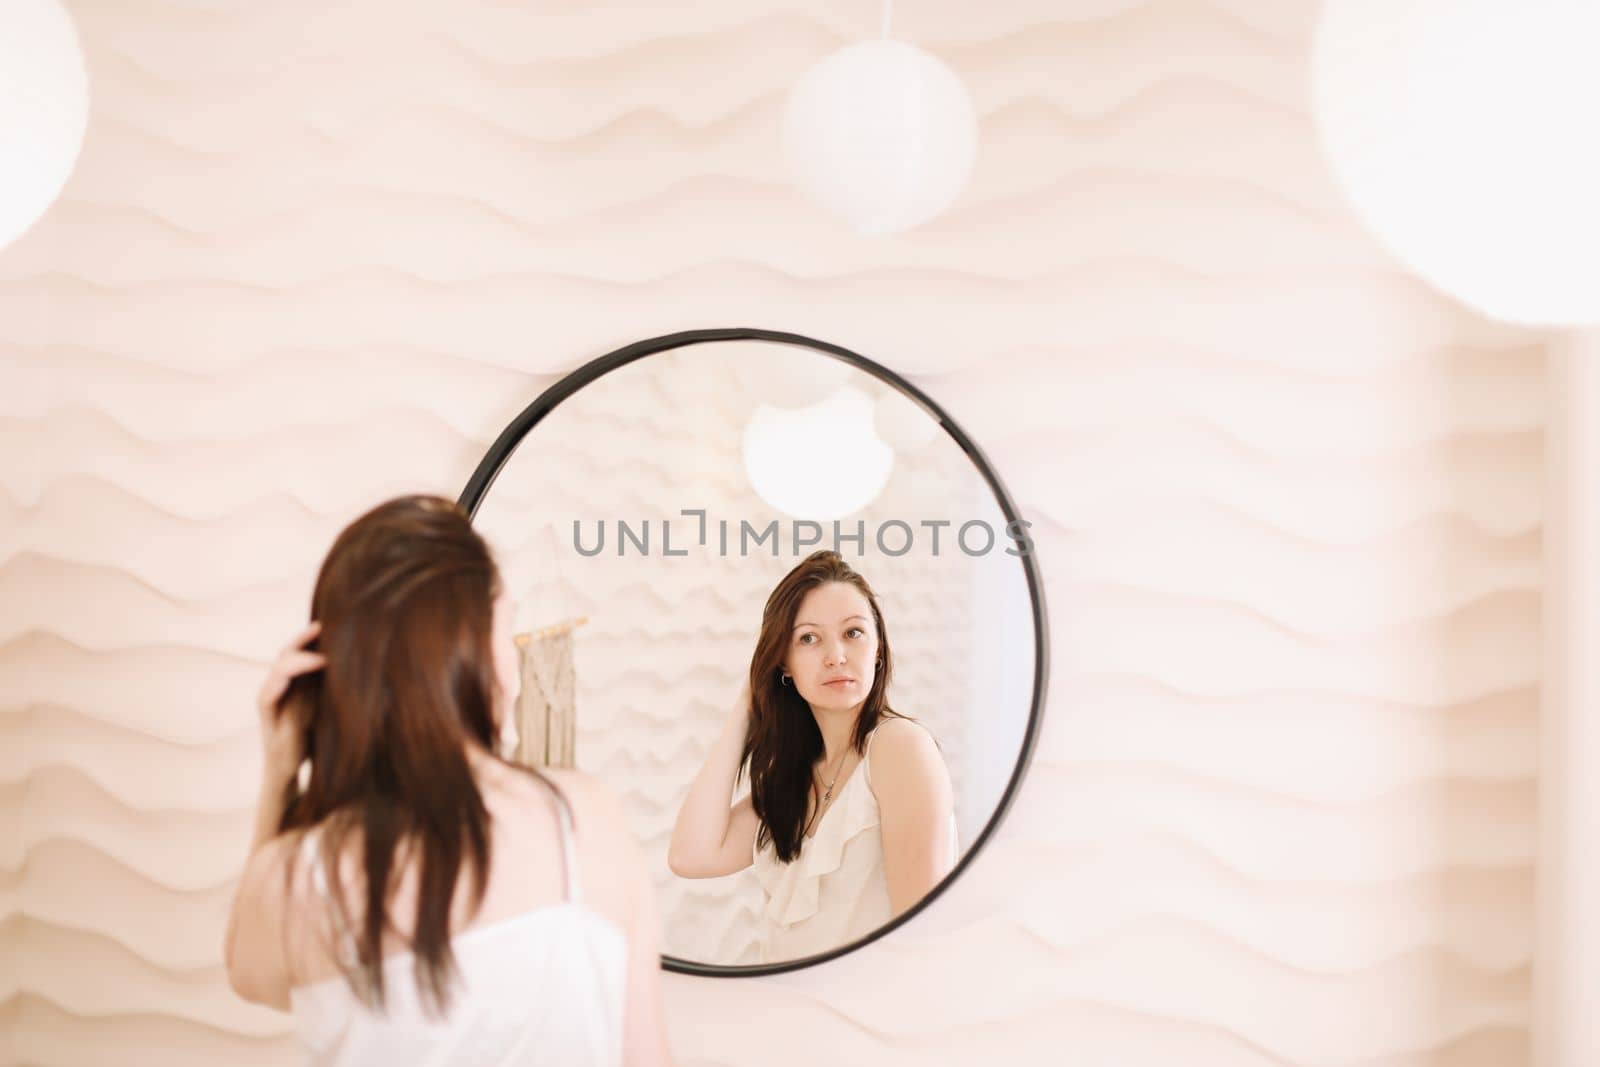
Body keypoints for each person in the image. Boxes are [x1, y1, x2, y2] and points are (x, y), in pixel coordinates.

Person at [223, 495, 673, 1066]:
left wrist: (281, 769)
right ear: (474, 648)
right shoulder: (582, 820)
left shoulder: (297, 878)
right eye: (507, 629)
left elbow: (250, 973)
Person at [668, 550, 958, 963]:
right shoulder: (794, 778)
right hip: (785, 1016)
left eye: (853, 633)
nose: (836, 655)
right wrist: (746, 709)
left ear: (878, 648)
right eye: (809, 638)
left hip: (863, 1018)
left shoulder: (899, 748)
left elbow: (921, 933)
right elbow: (690, 856)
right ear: (782, 663)